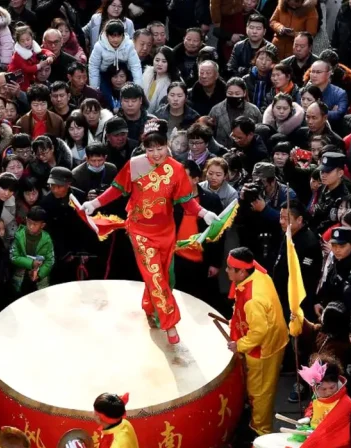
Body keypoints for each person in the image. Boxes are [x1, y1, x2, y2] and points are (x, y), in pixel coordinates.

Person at [81, 119, 220, 344]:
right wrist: (94, 204)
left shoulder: (176, 170)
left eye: (160, 147)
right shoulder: (135, 165)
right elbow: (117, 189)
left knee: (165, 277)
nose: (155, 153)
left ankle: (149, 307)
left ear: (168, 145)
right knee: (155, 275)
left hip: (166, 232)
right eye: (150, 148)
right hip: (139, 231)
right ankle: (170, 323)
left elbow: (187, 201)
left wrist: (205, 213)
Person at [224, 246, 288, 436]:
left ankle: (261, 432)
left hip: (263, 349)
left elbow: (259, 332)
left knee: (260, 393)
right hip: (272, 338)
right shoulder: (259, 275)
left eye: (230, 268)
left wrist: (239, 345)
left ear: (242, 271)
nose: (226, 271)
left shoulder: (253, 300)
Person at [88, 19, 142, 91]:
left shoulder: (129, 45)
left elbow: (135, 66)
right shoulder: (99, 46)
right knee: (106, 97)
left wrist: (138, 88)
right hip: (105, 75)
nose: (116, 40)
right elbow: (94, 66)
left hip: (124, 74)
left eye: (118, 36)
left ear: (123, 36)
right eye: (113, 36)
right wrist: (95, 89)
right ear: (107, 35)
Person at [7, 24, 54, 93]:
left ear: (32, 38)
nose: (26, 43)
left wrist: (50, 56)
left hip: (28, 76)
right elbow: (26, 69)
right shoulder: (17, 55)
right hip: (18, 77)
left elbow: (43, 50)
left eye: (28, 39)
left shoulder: (33, 46)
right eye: (22, 41)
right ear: (18, 42)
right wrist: (39, 65)